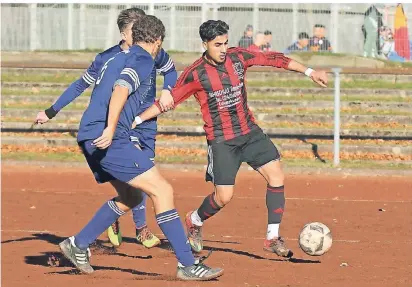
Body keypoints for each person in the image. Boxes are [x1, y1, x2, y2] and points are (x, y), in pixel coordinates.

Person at [134, 20, 328, 257]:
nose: (223, 49)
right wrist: (136, 121)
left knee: (276, 175)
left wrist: (310, 72)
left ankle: (272, 237)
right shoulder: (195, 73)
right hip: (222, 141)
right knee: (224, 196)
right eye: (217, 44)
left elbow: (275, 59)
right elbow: (166, 102)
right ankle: (195, 220)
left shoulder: (238, 57)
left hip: (249, 132)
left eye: (226, 43)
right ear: (205, 44)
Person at [56, 15, 223, 281]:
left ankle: (78, 244)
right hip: (109, 136)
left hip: (89, 135)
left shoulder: (115, 57)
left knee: (132, 197)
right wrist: (111, 129)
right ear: (158, 40)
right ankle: (187, 265)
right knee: (163, 190)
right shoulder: (143, 60)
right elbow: (122, 88)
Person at [34, 7, 176, 249]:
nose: (143, 34)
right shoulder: (107, 58)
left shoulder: (153, 51)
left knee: (144, 179)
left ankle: (114, 218)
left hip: (146, 123)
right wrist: (51, 111)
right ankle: (141, 229)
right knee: (141, 180)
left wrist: (166, 91)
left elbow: (170, 71)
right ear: (123, 33)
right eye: (135, 30)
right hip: (121, 123)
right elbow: (80, 86)